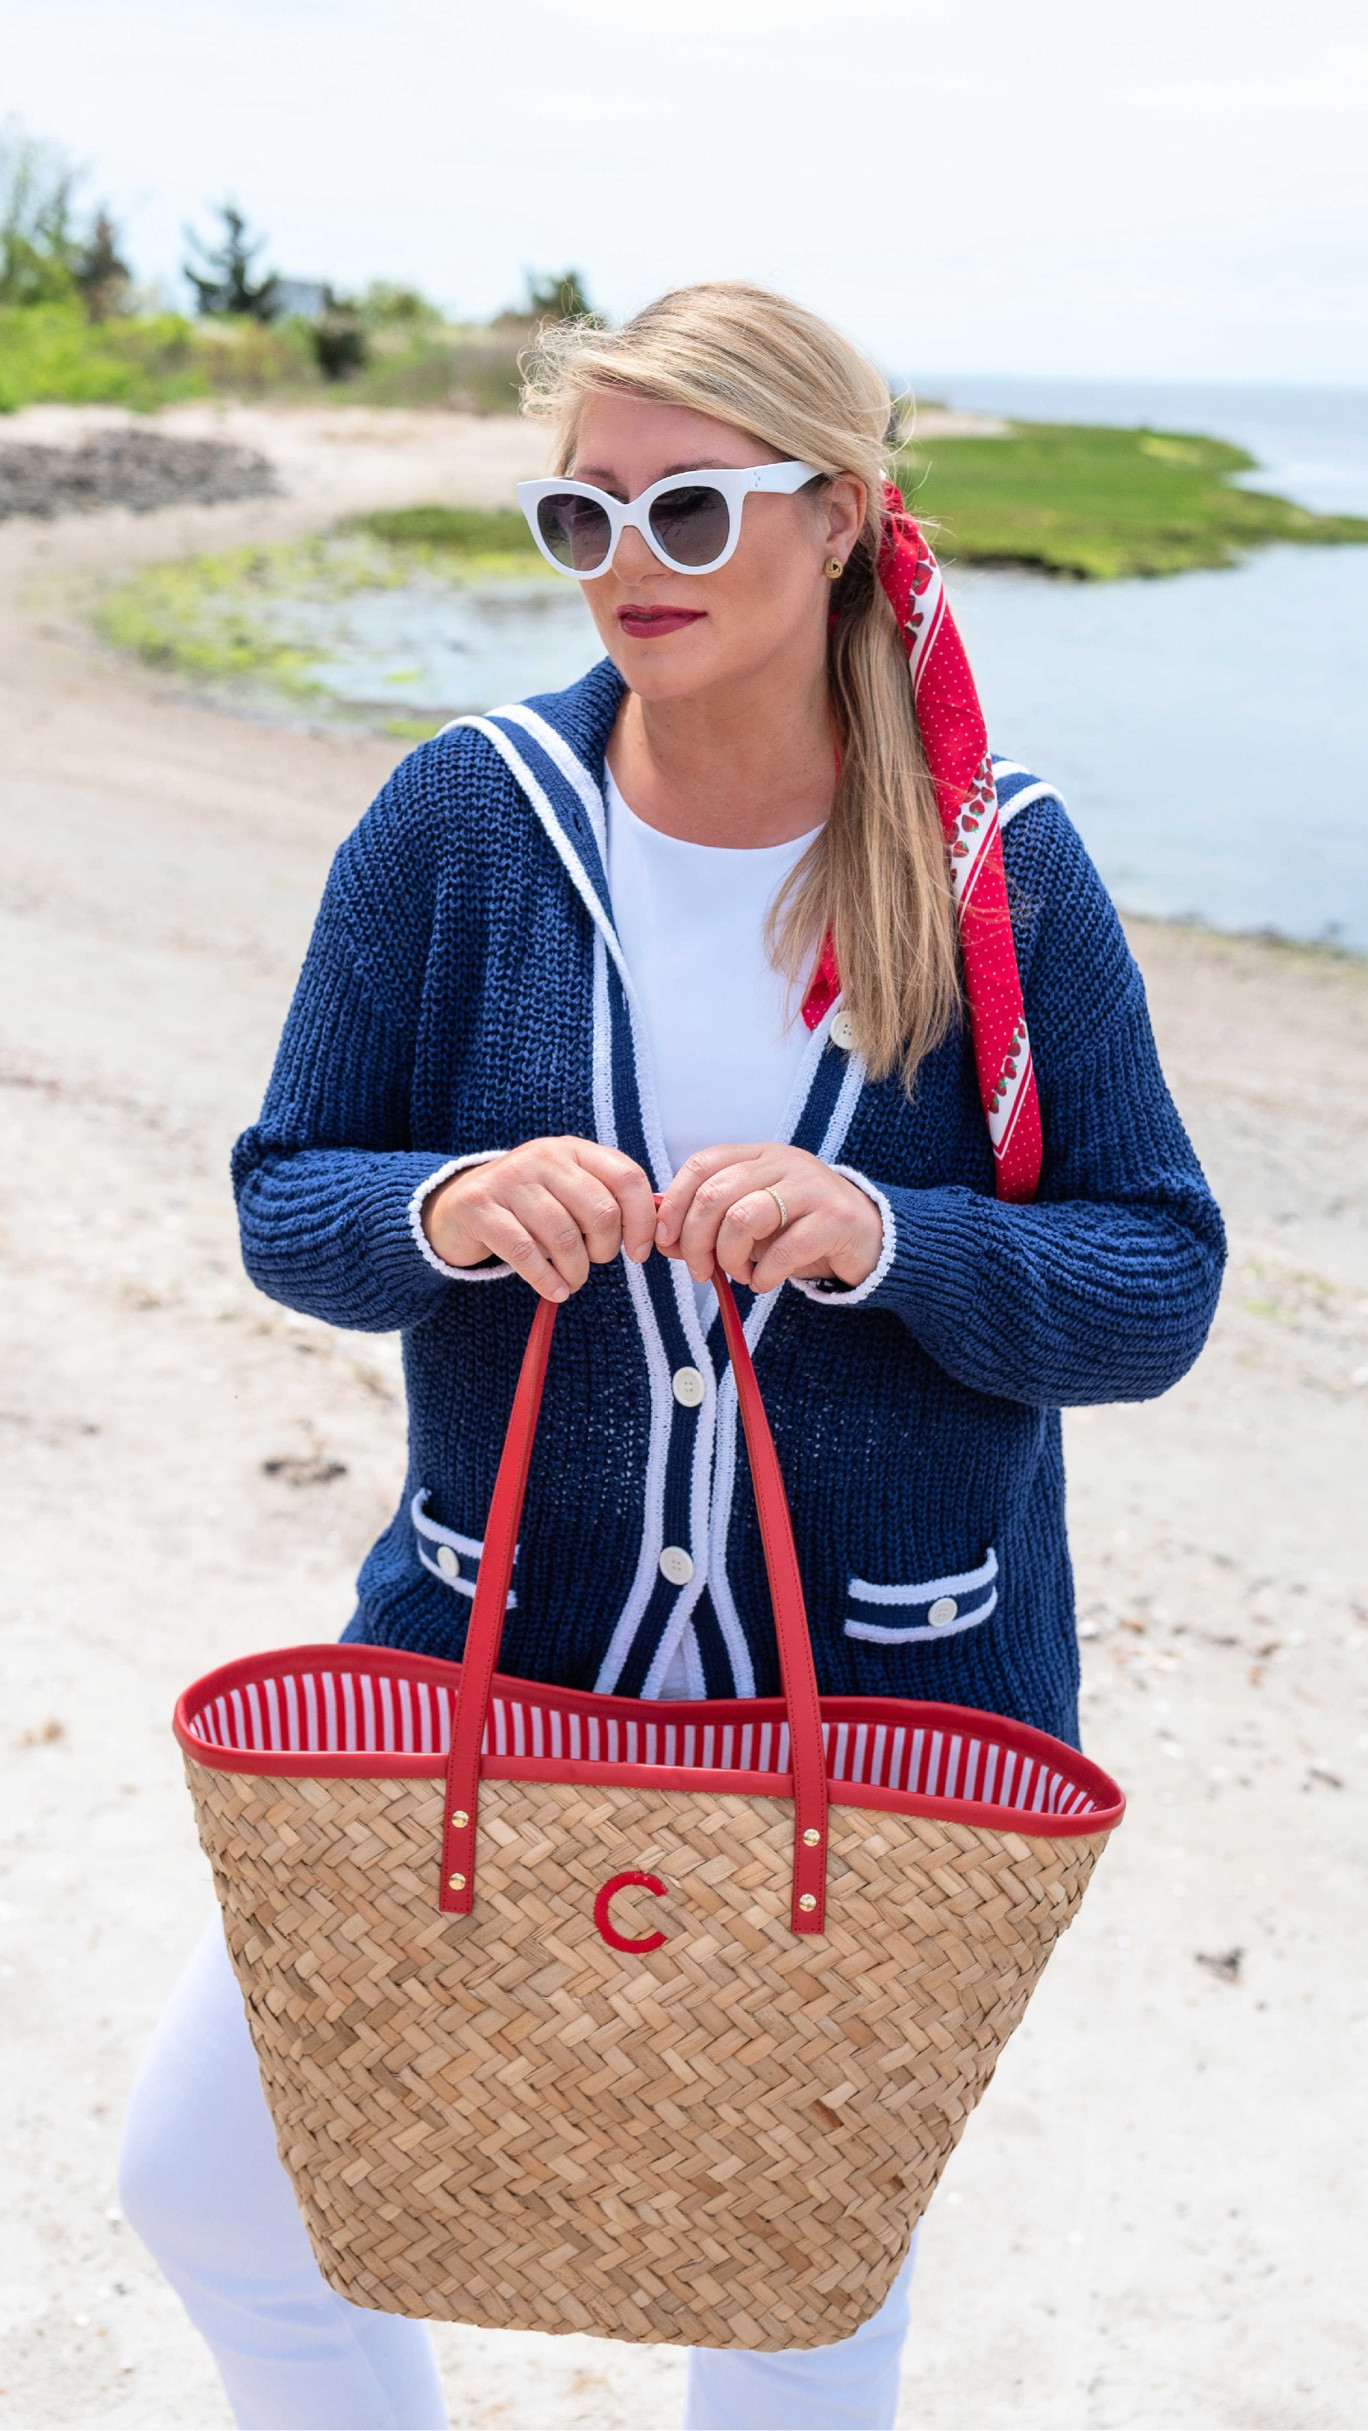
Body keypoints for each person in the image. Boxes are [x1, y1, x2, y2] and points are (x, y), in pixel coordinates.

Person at [118, 282, 1225, 2431]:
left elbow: (1157, 1280)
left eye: (693, 511)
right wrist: (438, 1211)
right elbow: (285, 1195)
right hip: (487, 1639)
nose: (634, 562)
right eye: (583, 514)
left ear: (841, 520)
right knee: (211, 2183)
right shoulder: (463, 821)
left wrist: (894, 1238)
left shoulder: (1000, 866)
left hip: (887, 1693)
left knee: (795, 2281)